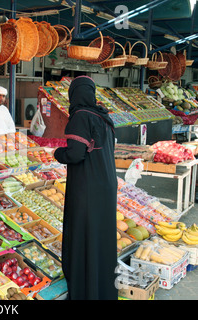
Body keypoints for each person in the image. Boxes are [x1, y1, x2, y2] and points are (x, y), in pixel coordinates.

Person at [51, 76, 118, 300]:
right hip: (106, 186)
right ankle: (101, 291)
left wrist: (58, 153)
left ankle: (84, 291)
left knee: (83, 236)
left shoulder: (80, 116)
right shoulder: (103, 116)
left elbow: (75, 154)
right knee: (100, 238)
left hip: (88, 188)